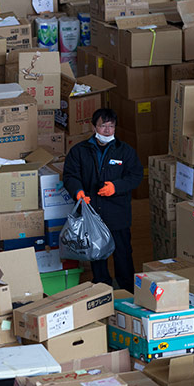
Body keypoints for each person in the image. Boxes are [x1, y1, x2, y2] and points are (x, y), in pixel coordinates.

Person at [63, 108, 143, 292]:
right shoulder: (79, 151)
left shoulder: (125, 152)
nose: (107, 130)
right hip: (92, 212)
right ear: (93, 127)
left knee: (122, 253)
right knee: (97, 253)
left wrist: (117, 187)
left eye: (111, 126)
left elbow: (136, 175)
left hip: (117, 212)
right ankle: (102, 288)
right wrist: (79, 192)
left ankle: (127, 289)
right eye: (102, 126)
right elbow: (70, 175)